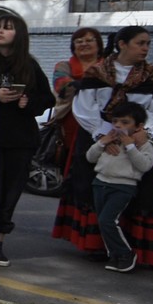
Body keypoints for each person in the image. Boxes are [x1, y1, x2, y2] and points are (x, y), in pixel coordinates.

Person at [70, 25, 153, 268]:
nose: (146, 48)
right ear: (122, 44)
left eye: (147, 43)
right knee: (97, 189)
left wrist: (142, 132)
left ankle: (142, 250)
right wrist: (106, 136)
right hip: (102, 138)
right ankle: (98, 246)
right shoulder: (98, 72)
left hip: (139, 139)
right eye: (141, 43)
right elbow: (85, 108)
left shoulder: (152, 75)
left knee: (144, 194)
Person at [0, 10, 54, 267]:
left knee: (10, 193)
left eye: (7, 27)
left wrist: (29, 103)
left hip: (20, 139)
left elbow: (48, 99)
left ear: (19, 34)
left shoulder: (29, 65)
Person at [49, 27, 106, 255]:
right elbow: (63, 87)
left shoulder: (109, 65)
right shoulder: (63, 66)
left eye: (89, 40)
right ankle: (79, 233)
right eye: (79, 41)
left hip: (103, 130)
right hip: (71, 130)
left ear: (99, 44)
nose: (84, 44)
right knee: (77, 181)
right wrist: (93, 81)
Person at [84, 101, 153, 273]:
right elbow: (90, 157)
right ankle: (114, 254)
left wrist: (130, 146)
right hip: (100, 182)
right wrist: (102, 143)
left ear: (138, 126)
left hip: (123, 186)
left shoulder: (144, 144)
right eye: (115, 121)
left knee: (108, 220)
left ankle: (126, 254)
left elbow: (145, 165)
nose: (118, 126)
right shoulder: (109, 139)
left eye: (125, 123)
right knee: (103, 221)